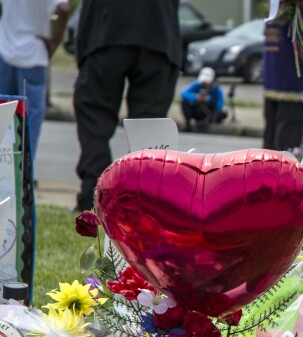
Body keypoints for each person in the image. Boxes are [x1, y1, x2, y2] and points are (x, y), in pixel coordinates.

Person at [73, 0, 181, 212]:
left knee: (94, 113)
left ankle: (94, 194)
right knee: (149, 128)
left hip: (106, 29)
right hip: (159, 32)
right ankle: (144, 201)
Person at [0, 0, 69, 158]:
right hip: (34, 52)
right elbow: (64, 10)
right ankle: (24, 171)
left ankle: (4, 172)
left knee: (3, 114)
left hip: (4, 47)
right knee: (29, 118)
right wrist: (55, 41)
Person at [263, 2, 303, 152]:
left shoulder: (274, 11)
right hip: (291, 82)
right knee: (288, 132)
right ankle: (281, 168)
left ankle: (267, 168)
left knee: (272, 131)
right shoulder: (295, 11)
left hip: (272, 80)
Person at [180, 67, 228, 132]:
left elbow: (219, 106)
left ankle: (205, 122)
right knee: (184, 102)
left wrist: (208, 99)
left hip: (209, 112)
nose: (204, 84)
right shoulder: (196, 84)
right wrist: (196, 97)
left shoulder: (217, 89)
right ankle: (188, 125)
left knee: (223, 113)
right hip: (197, 110)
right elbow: (184, 93)